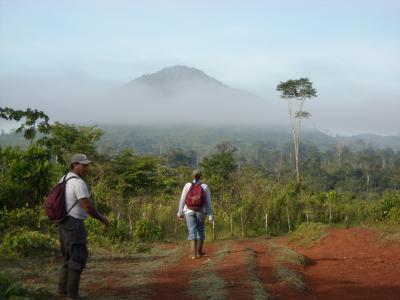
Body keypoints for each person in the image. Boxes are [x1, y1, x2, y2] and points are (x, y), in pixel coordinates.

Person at [57, 153, 109, 299]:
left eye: (87, 165)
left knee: (67, 257)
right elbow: (87, 208)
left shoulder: (64, 179)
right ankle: (72, 295)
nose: (86, 168)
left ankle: (62, 292)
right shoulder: (78, 183)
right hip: (74, 225)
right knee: (77, 259)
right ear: (74, 165)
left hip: (63, 223)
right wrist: (103, 219)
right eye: (83, 165)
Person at [177, 169, 213, 259]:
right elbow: (208, 202)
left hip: (188, 210)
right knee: (200, 229)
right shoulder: (204, 186)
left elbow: (182, 199)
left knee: (191, 230)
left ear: (192, 176)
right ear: (201, 176)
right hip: (201, 211)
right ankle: (199, 251)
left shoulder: (187, 185)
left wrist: (180, 212)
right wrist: (210, 215)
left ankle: (193, 254)